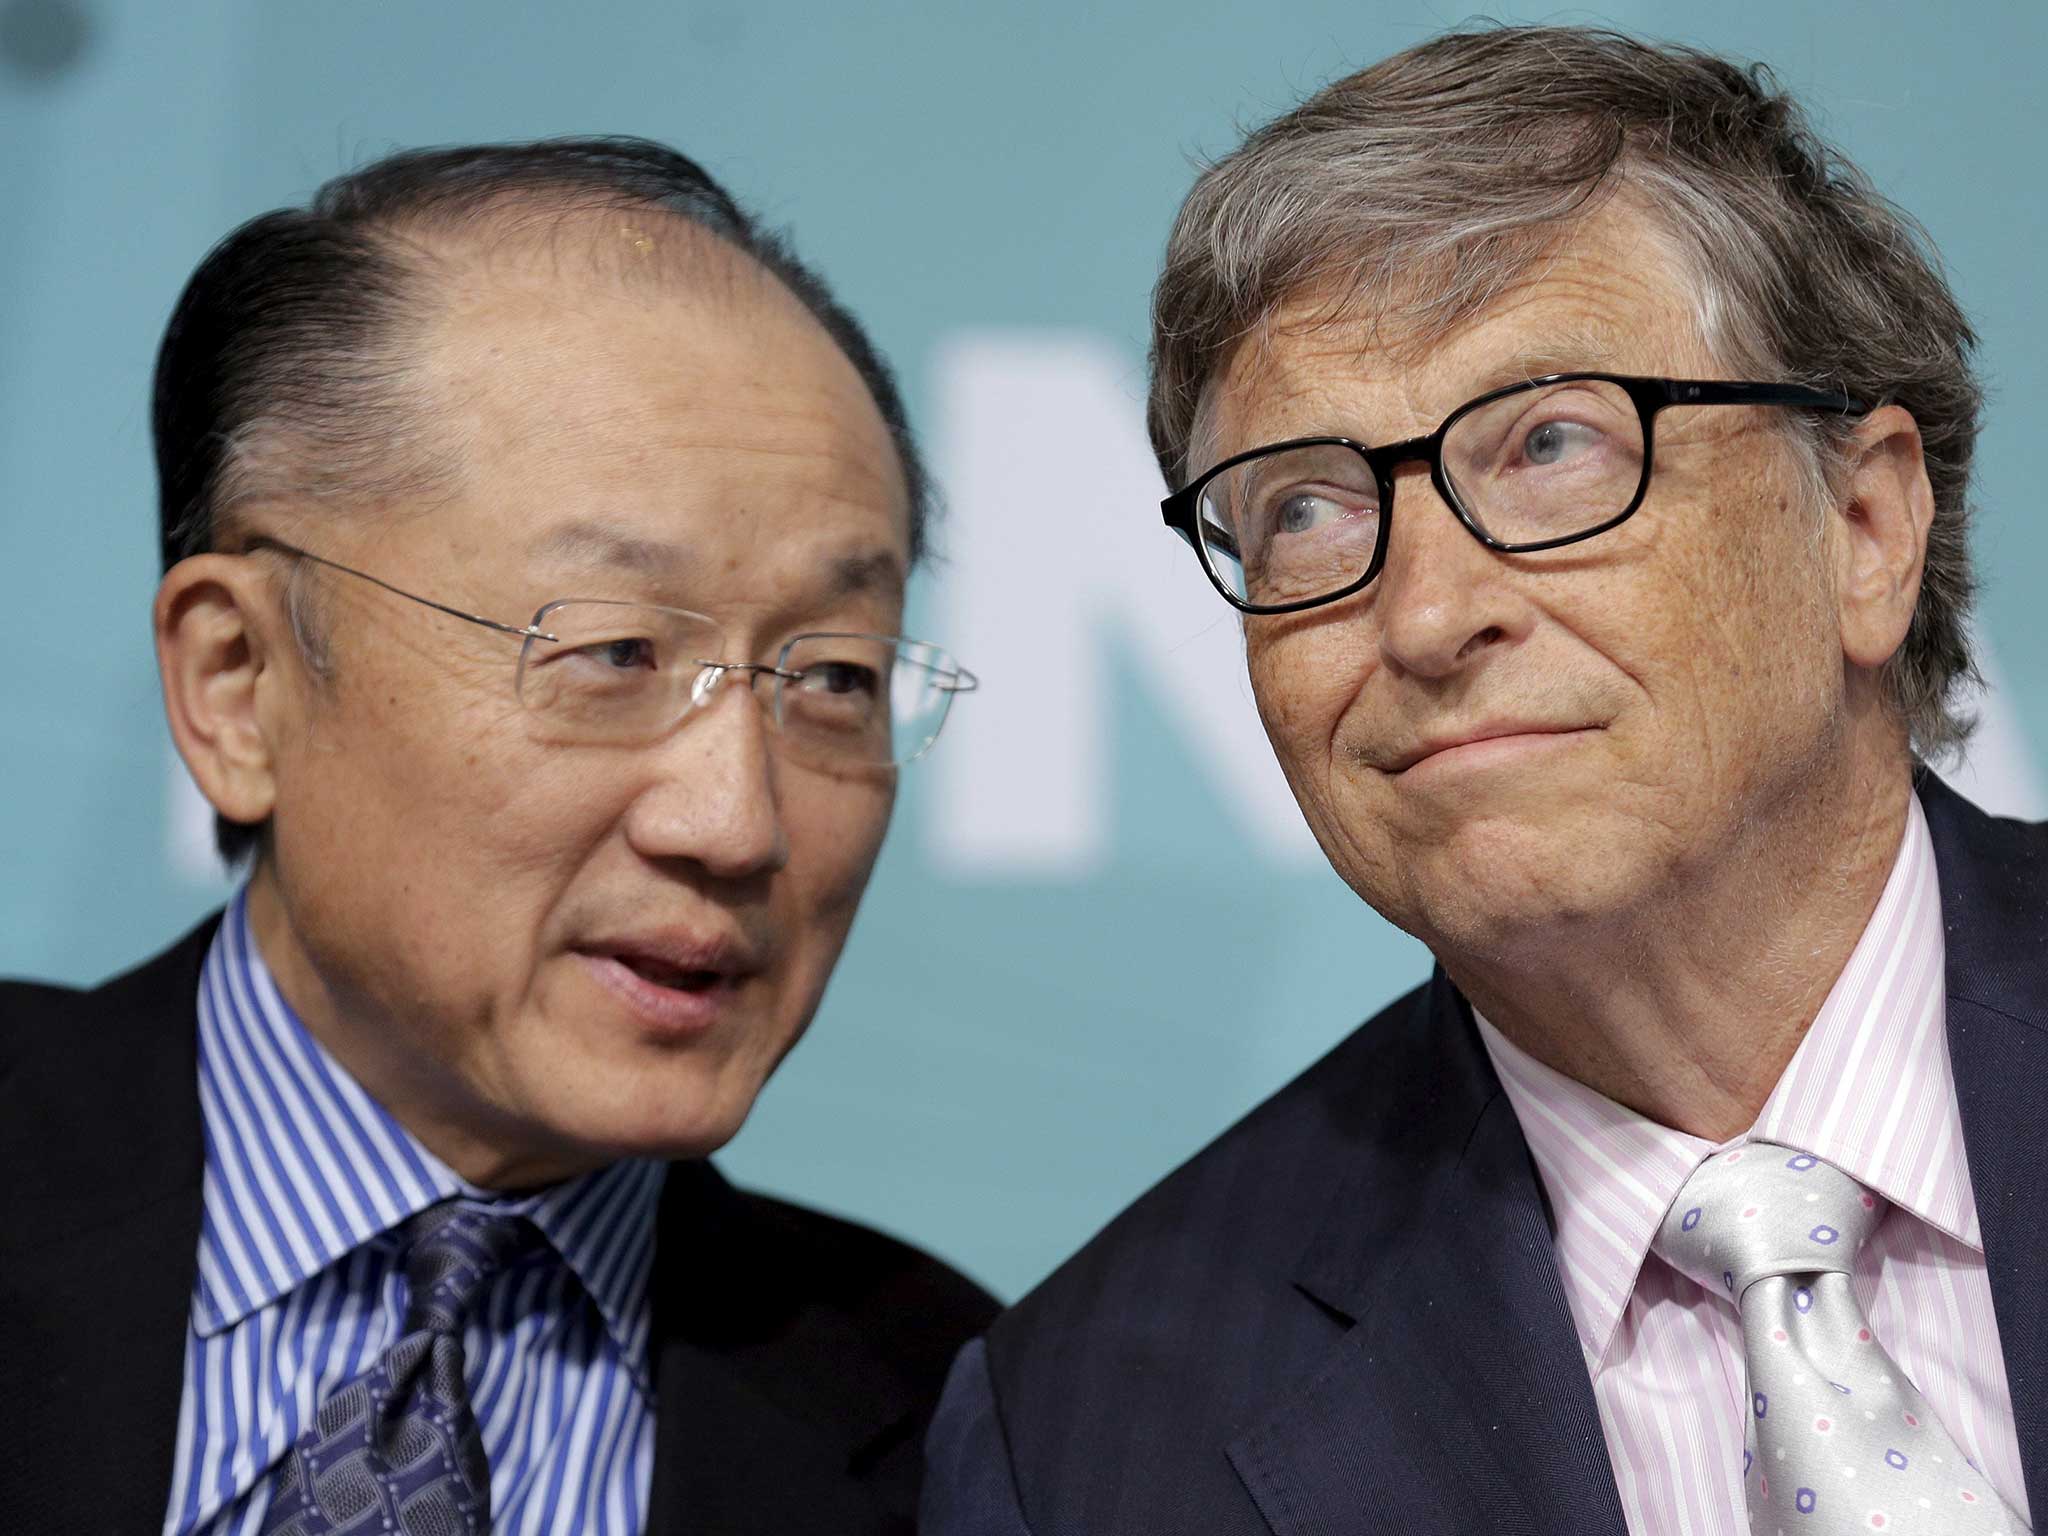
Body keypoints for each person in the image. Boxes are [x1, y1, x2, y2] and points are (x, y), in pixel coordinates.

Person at [924, 26, 2042, 1536]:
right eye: (1306, 507)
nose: (1432, 616)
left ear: (1862, 526)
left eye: (1551, 445)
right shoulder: (1087, 1438)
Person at [0, 136, 994, 1536]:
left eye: (832, 678)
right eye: (614, 650)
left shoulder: (975, 1431)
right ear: (240, 683)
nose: (736, 821)